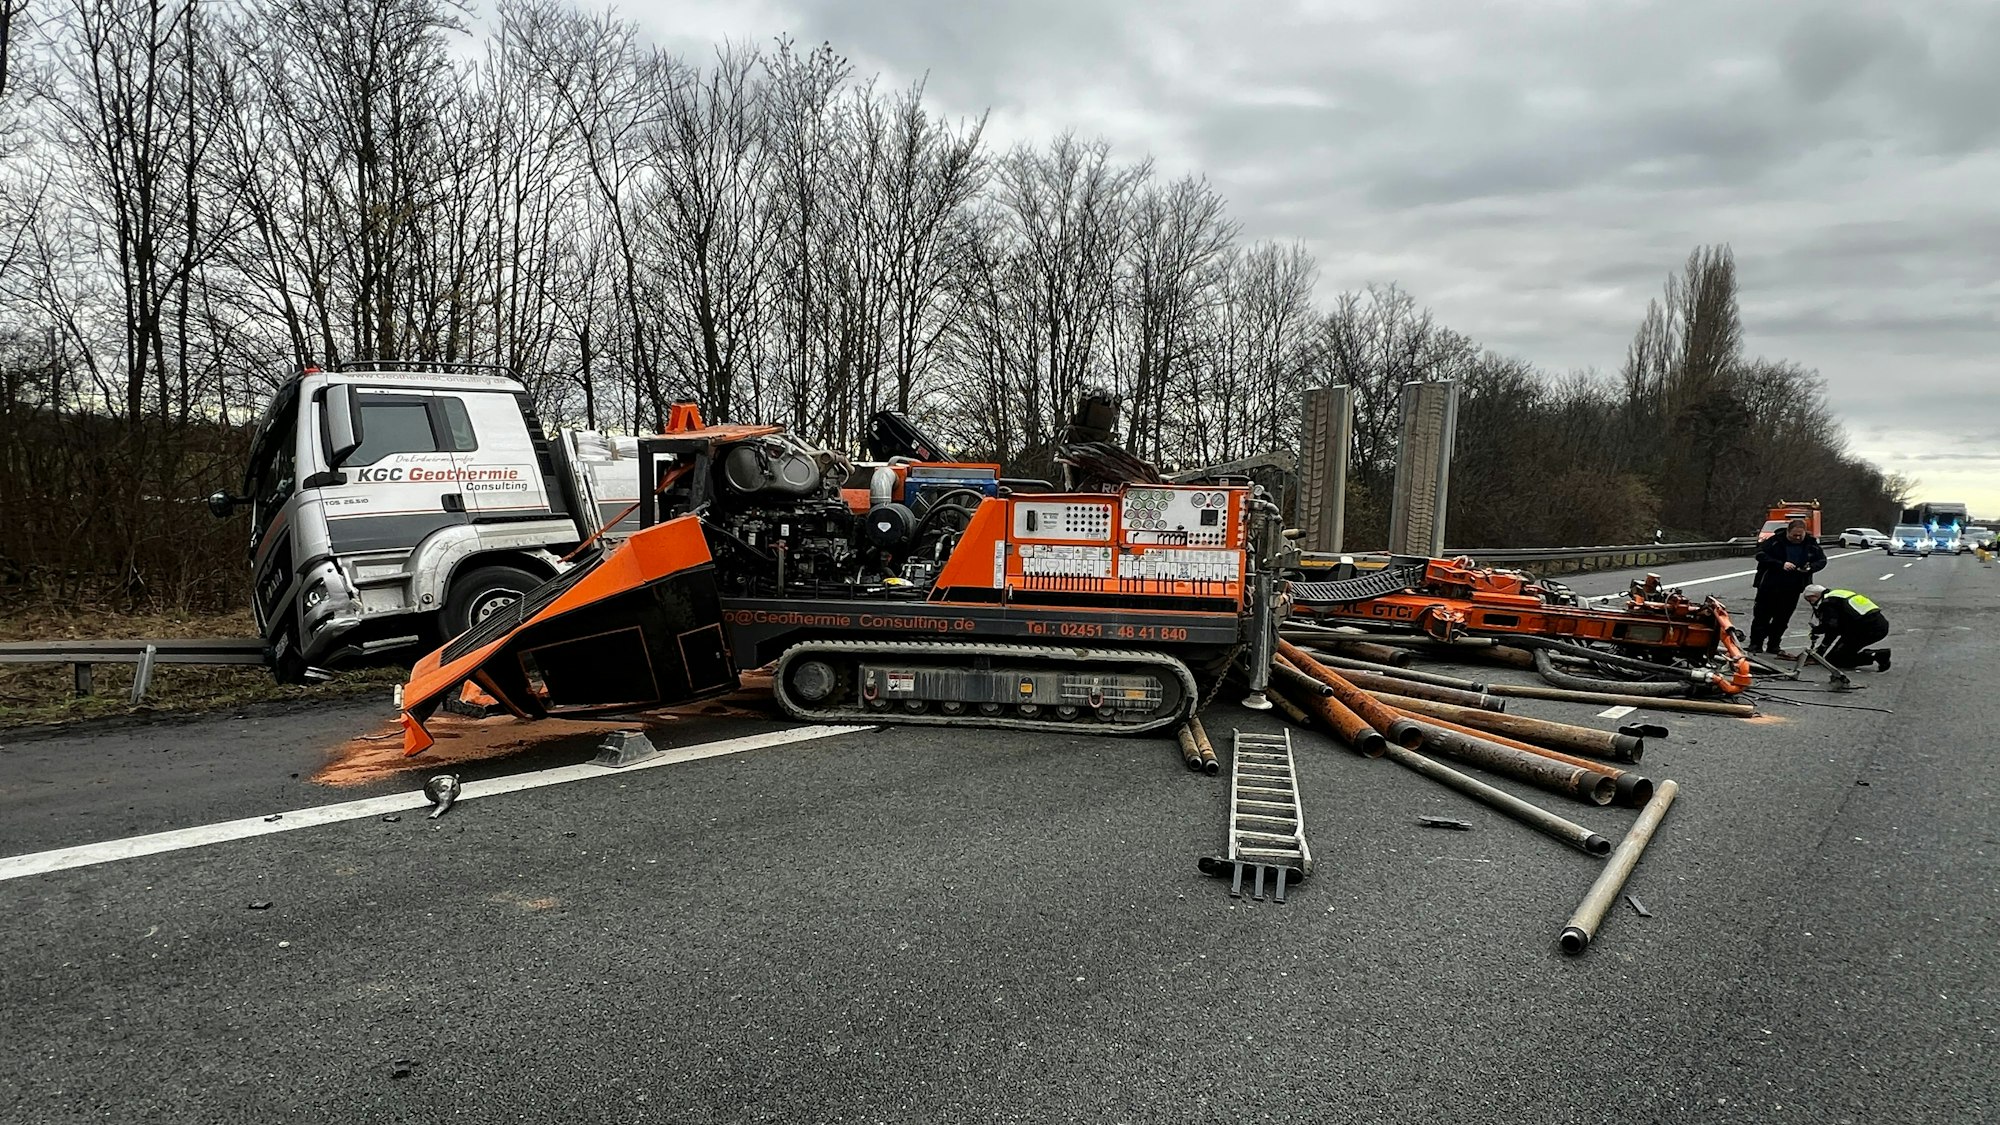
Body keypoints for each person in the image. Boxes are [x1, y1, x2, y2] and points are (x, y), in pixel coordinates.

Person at [1750, 517, 1826, 657]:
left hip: (1794, 587)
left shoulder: (1811, 544)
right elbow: (1760, 555)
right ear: (1788, 532)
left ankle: (1774, 645)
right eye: (1794, 535)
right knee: (1762, 616)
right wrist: (1780, 564)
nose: (1797, 538)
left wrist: (1810, 567)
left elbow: (1822, 560)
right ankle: (1756, 644)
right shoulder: (1775, 541)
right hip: (1769, 584)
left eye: (1800, 535)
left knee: (1782, 618)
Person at [1804, 585, 1891, 670]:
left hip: (1867, 630)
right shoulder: (1837, 595)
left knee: (1835, 660)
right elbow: (1835, 628)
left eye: (1810, 600)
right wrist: (1819, 653)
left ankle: (1876, 655)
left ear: (1813, 596)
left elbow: (1832, 628)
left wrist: (1817, 630)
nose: (1811, 603)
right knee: (1836, 655)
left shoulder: (1828, 604)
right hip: (1876, 624)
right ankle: (1870, 655)